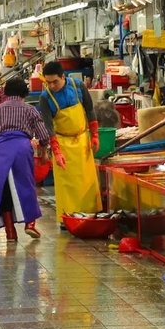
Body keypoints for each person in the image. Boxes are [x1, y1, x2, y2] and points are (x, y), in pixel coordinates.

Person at [0, 78, 50, 241]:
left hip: (0, 148)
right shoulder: (30, 109)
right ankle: (30, 224)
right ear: (24, 93)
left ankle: (10, 232)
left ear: (6, 93)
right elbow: (43, 135)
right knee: (26, 184)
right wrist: (43, 149)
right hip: (21, 147)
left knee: (3, 189)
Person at [38, 61, 101, 223]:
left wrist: (95, 135)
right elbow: (48, 127)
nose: (52, 86)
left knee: (87, 182)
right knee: (67, 186)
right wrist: (56, 152)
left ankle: (91, 216)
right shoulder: (45, 97)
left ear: (63, 77)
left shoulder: (78, 86)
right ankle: (67, 219)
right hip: (62, 144)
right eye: (48, 82)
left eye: (55, 81)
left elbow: (89, 109)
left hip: (83, 141)